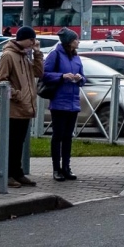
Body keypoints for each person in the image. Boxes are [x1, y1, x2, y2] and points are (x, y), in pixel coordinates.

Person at [0, 27, 44, 188]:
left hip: (25, 108)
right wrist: (18, 95)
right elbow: (1, 81)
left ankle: (17, 172)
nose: (33, 42)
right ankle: (7, 175)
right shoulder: (9, 55)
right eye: (31, 40)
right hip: (14, 108)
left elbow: (39, 72)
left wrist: (37, 53)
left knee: (19, 143)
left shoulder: (24, 56)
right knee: (12, 143)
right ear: (24, 38)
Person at [42, 28, 87, 181]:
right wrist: (62, 76)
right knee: (58, 136)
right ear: (69, 42)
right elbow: (45, 74)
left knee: (68, 136)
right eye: (76, 39)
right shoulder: (55, 55)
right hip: (59, 101)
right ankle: (56, 169)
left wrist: (80, 78)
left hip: (73, 101)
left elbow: (84, 77)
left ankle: (67, 167)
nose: (78, 41)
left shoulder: (76, 57)